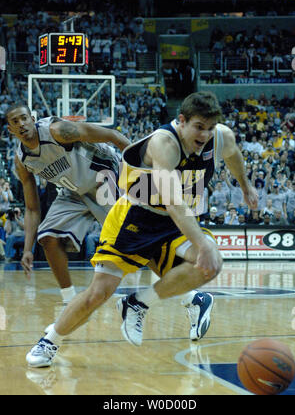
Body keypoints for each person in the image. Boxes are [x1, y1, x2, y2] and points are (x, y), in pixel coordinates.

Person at [26, 91, 258, 368]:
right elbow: (172, 200)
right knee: (99, 293)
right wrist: (204, 244)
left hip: (174, 223)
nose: (205, 134)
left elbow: (233, 157)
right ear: (181, 121)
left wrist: (246, 186)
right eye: (198, 127)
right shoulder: (164, 143)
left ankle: (138, 302)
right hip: (135, 217)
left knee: (210, 263)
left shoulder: (222, 136)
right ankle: (49, 341)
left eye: (209, 128)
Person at [5, 103, 130, 308]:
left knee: (133, 238)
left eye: (24, 118)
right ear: (10, 129)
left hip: (104, 177)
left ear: (33, 119)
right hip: (74, 191)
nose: (21, 124)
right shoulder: (22, 161)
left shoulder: (58, 131)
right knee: (47, 238)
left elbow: (112, 136)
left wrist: (141, 164)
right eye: (15, 122)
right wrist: (28, 249)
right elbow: (32, 208)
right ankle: (69, 300)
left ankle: (191, 296)